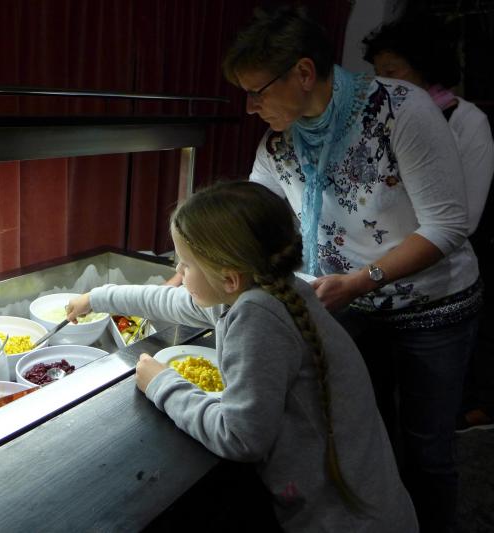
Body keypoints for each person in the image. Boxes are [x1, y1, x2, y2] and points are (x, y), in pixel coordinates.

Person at [221, 6, 482, 532]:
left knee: (427, 448)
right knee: (363, 438)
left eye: (257, 92)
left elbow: (449, 225)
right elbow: (253, 217)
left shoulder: (399, 109)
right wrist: (201, 258)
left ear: (303, 72)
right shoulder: (279, 140)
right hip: (344, 305)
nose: (250, 107)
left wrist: (363, 281)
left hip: (430, 306)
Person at [66, 181, 417, 532]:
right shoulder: (272, 288)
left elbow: (240, 438)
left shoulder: (257, 318)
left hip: (344, 521)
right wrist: (96, 298)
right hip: (366, 503)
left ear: (230, 278)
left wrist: (160, 383)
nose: (179, 276)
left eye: (185, 266)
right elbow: (167, 301)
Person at [362, 14, 494, 433]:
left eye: (392, 72)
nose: (382, 84)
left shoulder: (466, 121)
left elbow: (463, 220)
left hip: (436, 292)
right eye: (377, 73)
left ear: (426, 69)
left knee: (428, 430)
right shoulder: (378, 122)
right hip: (376, 294)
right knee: (376, 418)